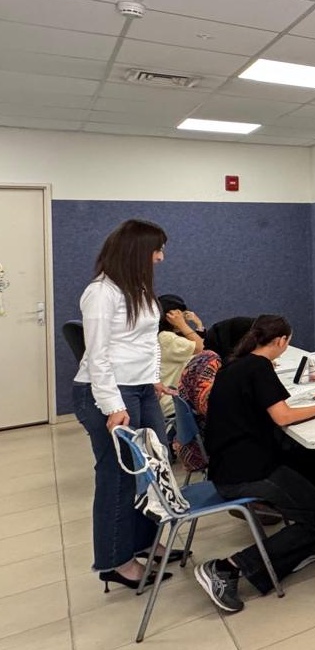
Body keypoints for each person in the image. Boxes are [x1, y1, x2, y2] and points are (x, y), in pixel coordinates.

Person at [197, 315, 315, 614]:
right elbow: (283, 416)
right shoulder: (258, 367)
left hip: (233, 460)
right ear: (281, 341)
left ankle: (312, 540)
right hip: (246, 471)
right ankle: (227, 568)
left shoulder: (237, 364)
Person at [72, 219, 178, 592]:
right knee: (117, 477)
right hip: (107, 392)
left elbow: (147, 341)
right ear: (137, 251)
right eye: (157, 250)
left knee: (154, 466)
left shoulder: (138, 289)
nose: (160, 257)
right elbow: (97, 355)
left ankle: (145, 542)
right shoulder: (101, 293)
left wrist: (152, 378)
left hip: (140, 388)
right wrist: (112, 405)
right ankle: (116, 561)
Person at [156, 294, 204, 416]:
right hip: (172, 404)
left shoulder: (170, 337)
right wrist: (182, 325)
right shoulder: (166, 338)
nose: (184, 319)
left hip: (177, 403)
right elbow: (200, 348)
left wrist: (199, 325)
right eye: (180, 316)